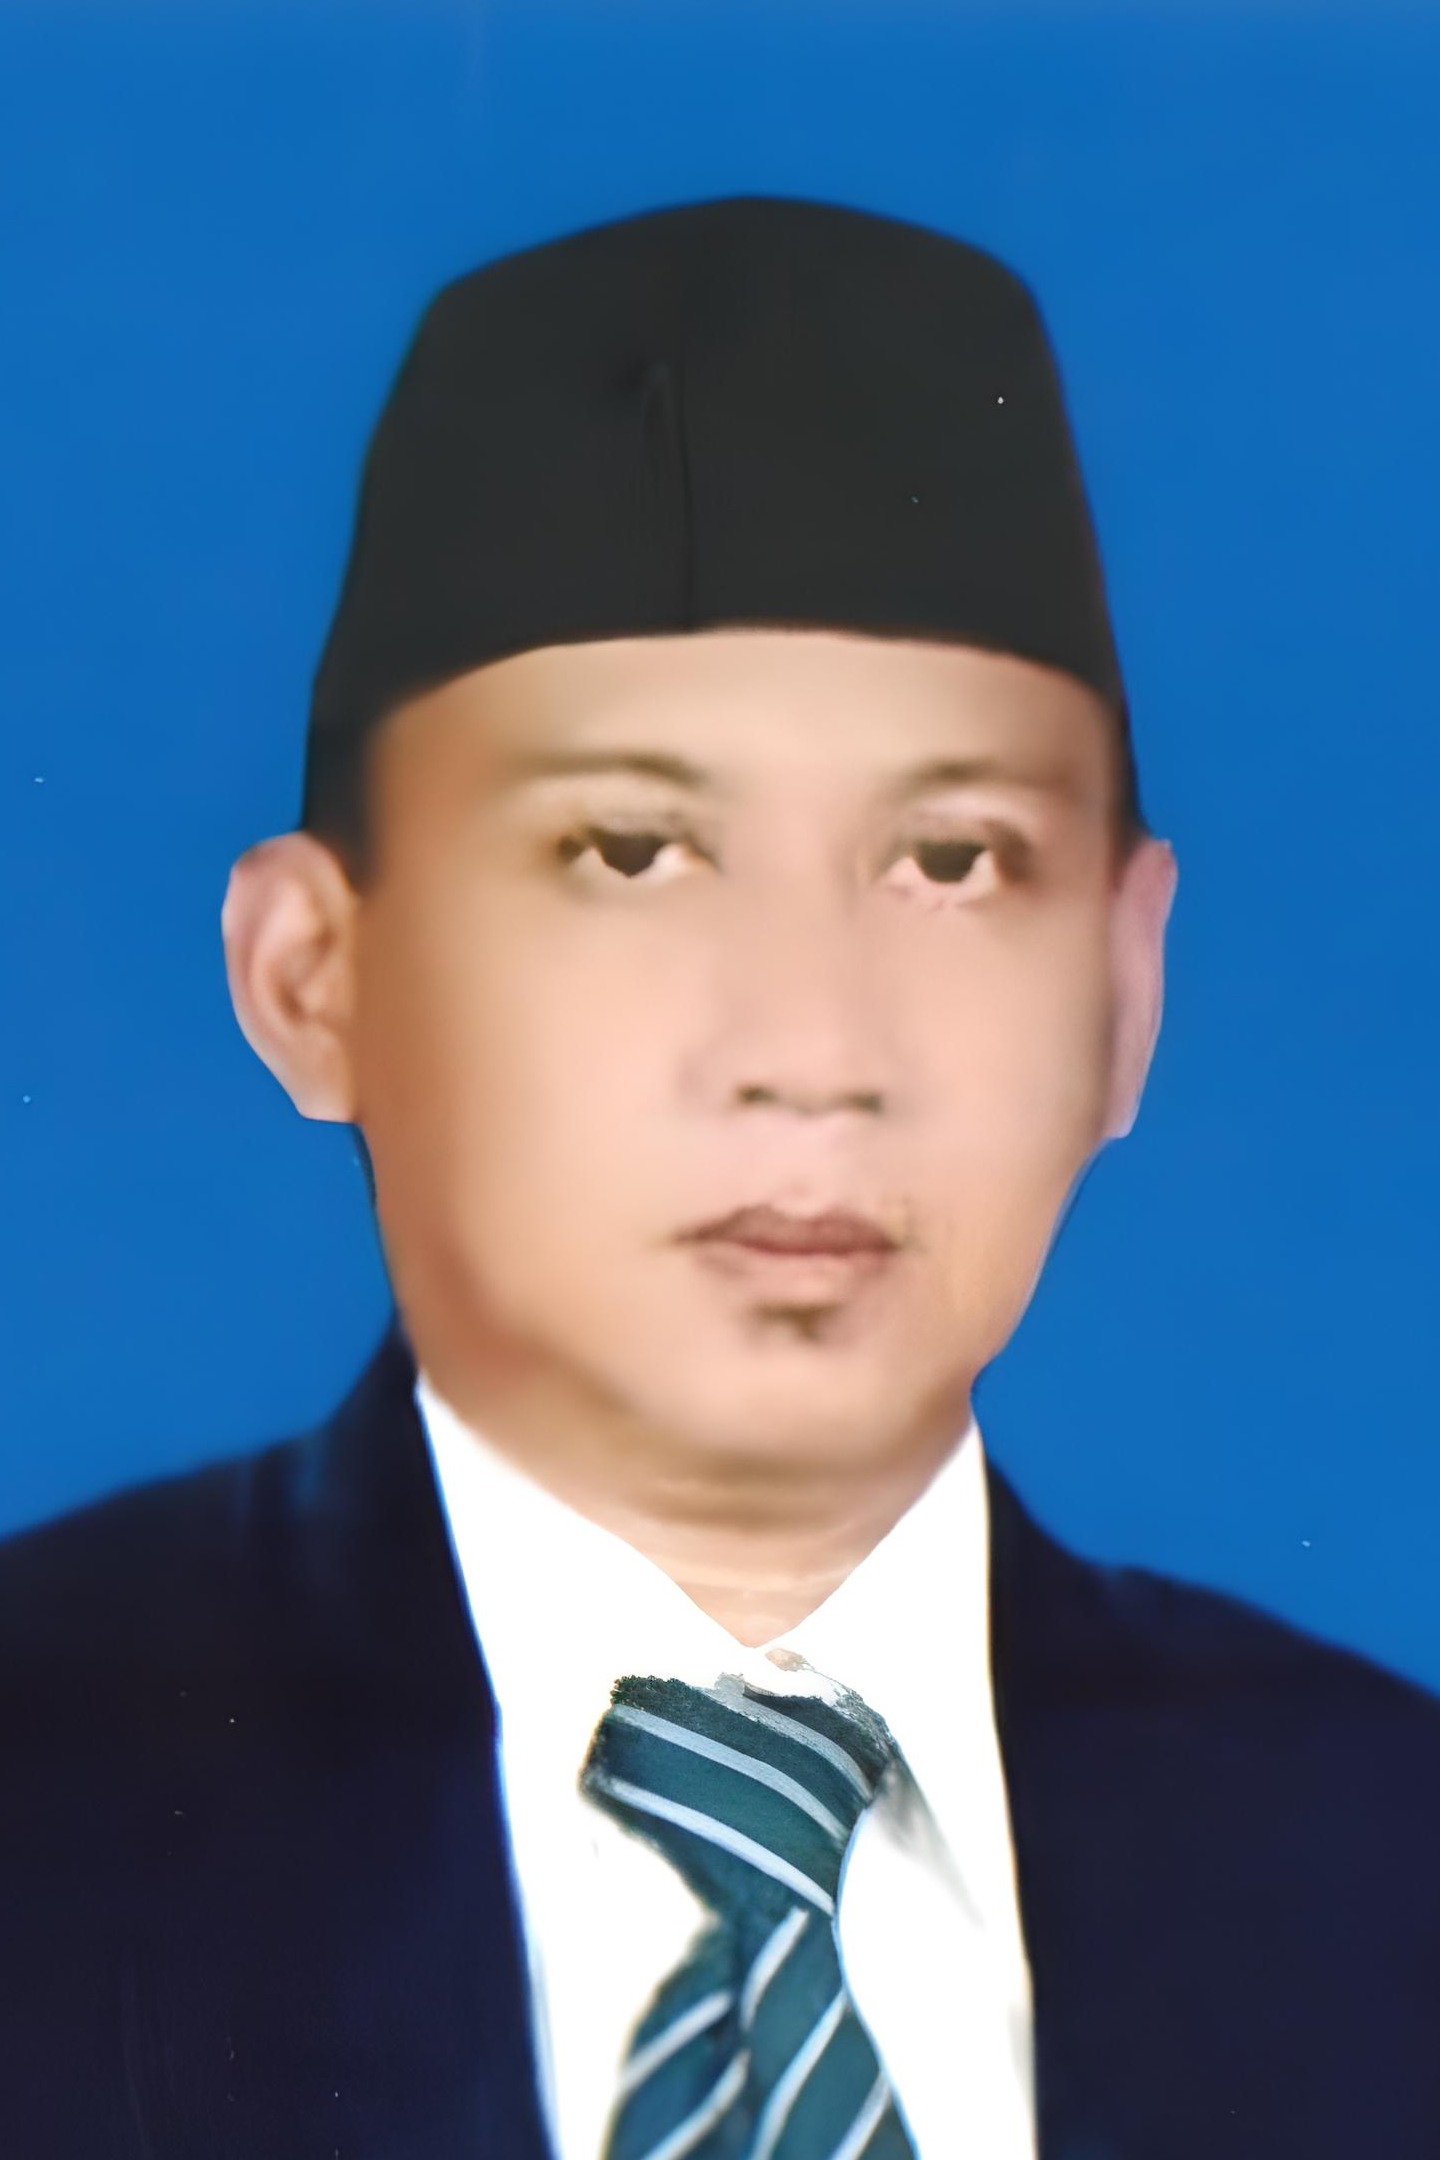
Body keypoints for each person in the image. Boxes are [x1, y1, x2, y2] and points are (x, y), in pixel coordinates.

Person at [1, 196, 1437, 2160]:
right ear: (311, 976)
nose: (812, 1047)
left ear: (1126, 991)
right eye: (628, 854)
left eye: (952, 864)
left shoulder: (1386, 1861)